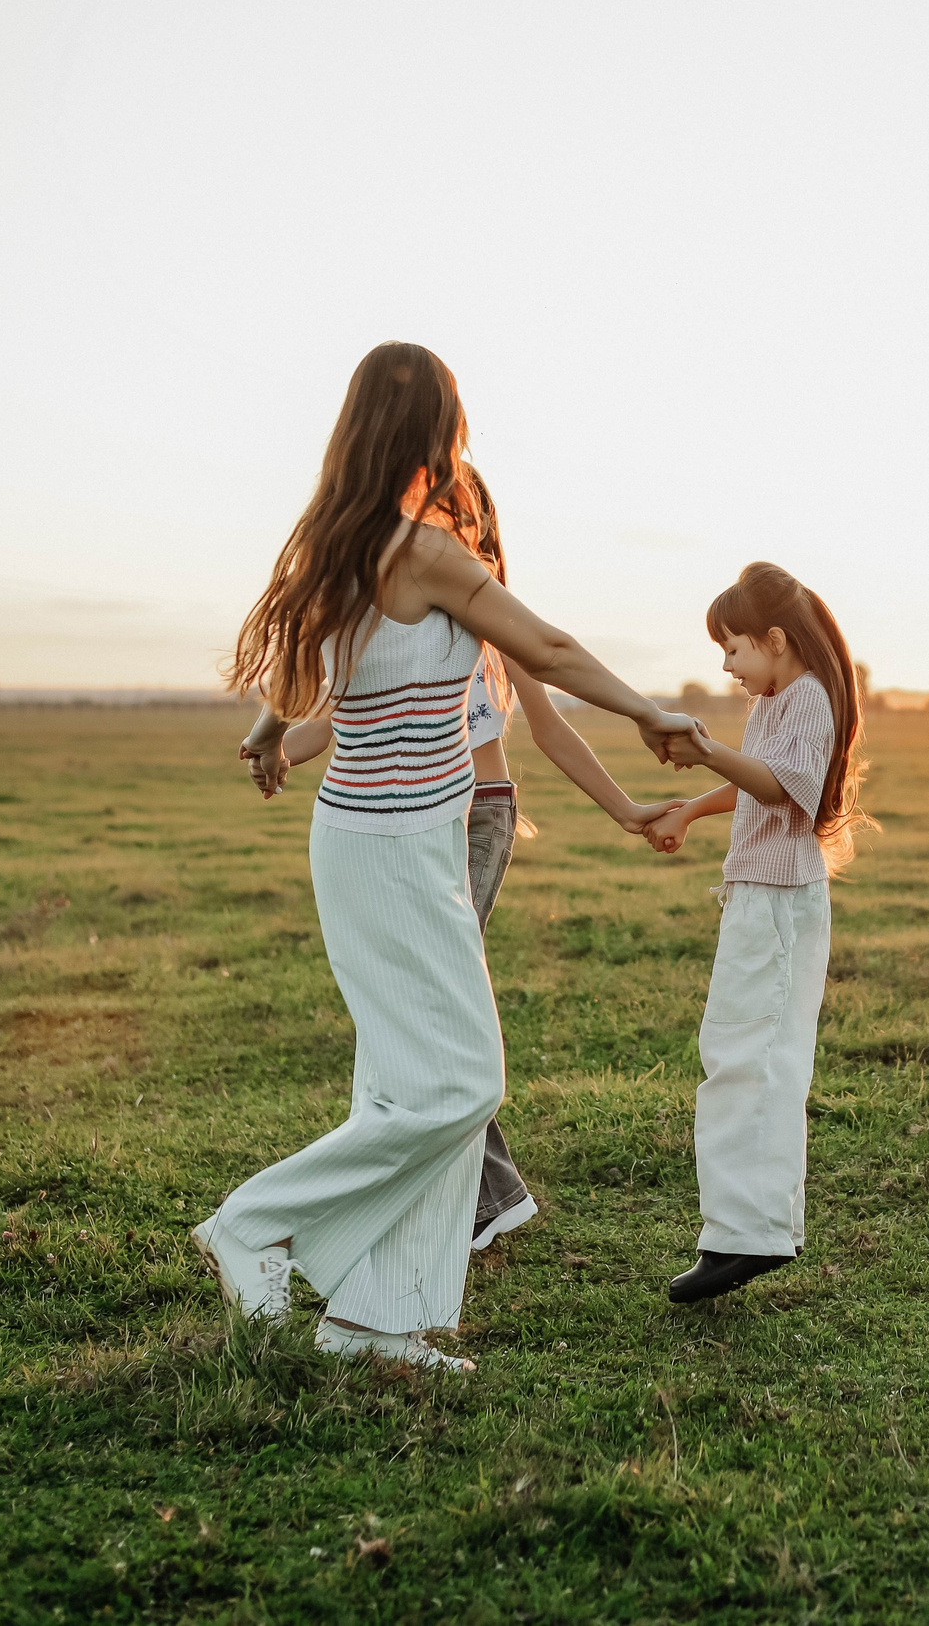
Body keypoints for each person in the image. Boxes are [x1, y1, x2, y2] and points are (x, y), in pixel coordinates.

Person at [198, 341, 695, 1371]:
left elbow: (305, 683)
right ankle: (253, 1223)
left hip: (392, 839)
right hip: (388, 847)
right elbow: (546, 649)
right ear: (435, 430)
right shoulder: (419, 548)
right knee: (462, 1082)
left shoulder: (338, 547)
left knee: (404, 1086)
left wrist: (267, 729)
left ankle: (380, 1321)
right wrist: (645, 707)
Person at [279, 462, 677, 1253]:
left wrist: (626, 808)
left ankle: (476, 1198)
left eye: (455, 520)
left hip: (479, 818)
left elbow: (554, 729)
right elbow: (336, 714)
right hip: (398, 821)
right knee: (423, 1009)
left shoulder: (488, 617)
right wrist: (279, 747)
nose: (440, 532)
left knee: (437, 1007)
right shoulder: (386, 606)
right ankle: (483, 1194)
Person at [644, 562, 869, 1303]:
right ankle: (740, 1229)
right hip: (758, 898)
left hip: (778, 904)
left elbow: (784, 787)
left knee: (757, 1061)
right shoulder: (781, 696)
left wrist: (707, 749)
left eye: (733, 648)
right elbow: (757, 777)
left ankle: (751, 1235)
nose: (726, 664)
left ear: (775, 640)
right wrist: (691, 807)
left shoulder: (806, 699)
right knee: (735, 1056)